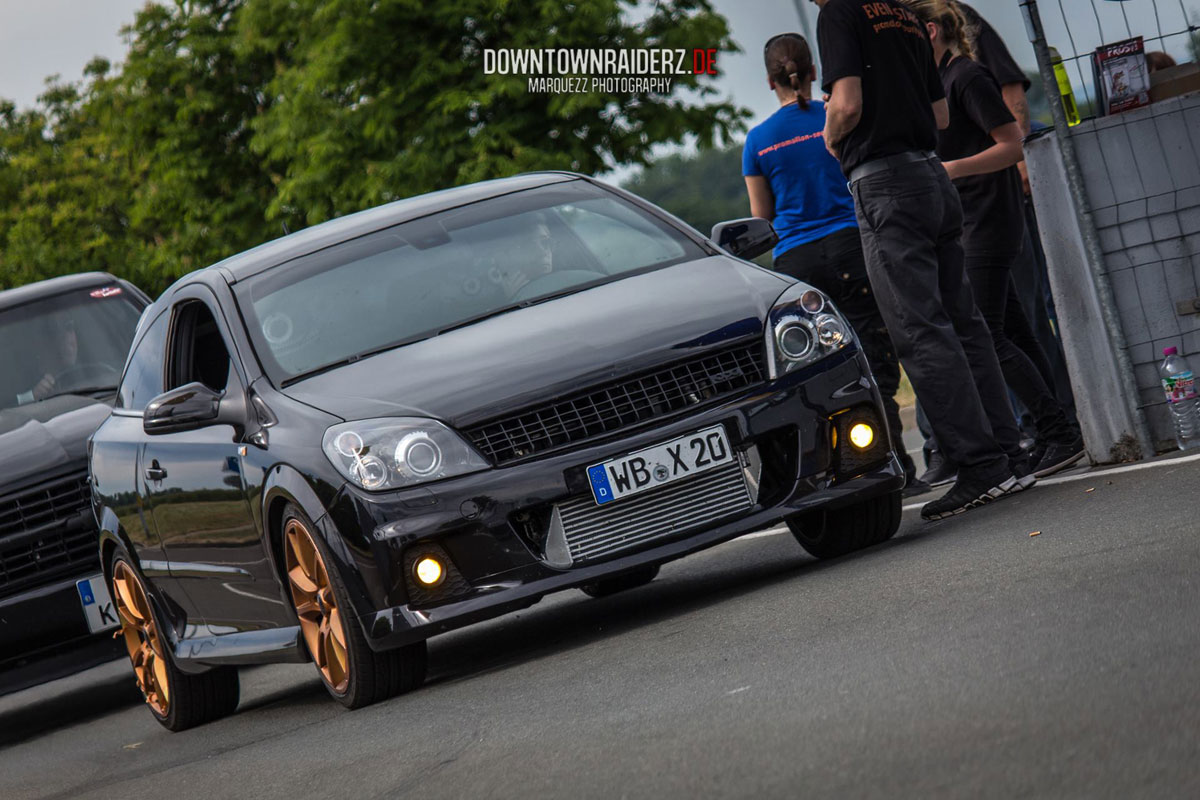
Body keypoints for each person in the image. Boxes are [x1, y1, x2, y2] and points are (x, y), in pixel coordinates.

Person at [812, 0, 1033, 520]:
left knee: (919, 329)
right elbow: (939, 115)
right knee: (965, 323)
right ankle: (1007, 454)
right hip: (931, 175)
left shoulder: (838, 14)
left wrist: (829, 136)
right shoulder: (907, 13)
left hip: (884, 183)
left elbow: (845, 103)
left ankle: (980, 466)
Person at [742, 32, 929, 497]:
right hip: (854, 243)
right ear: (811, 72)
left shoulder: (757, 141)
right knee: (878, 352)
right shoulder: (835, 115)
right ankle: (902, 464)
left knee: (824, 366)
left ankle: (851, 471)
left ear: (770, 81)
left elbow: (761, 219)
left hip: (798, 262)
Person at [904, 0, 1084, 478]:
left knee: (987, 331)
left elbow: (1010, 143)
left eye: (907, 31)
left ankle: (1059, 430)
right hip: (967, 220)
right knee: (1015, 329)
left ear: (931, 31)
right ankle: (1060, 429)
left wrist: (952, 170)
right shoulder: (937, 82)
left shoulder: (967, 76)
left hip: (990, 219)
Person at [17, 317, 78, 405]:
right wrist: (32, 395)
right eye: (57, 335)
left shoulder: (89, 371)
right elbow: (7, 404)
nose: (69, 342)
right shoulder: (23, 379)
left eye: (70, 329)